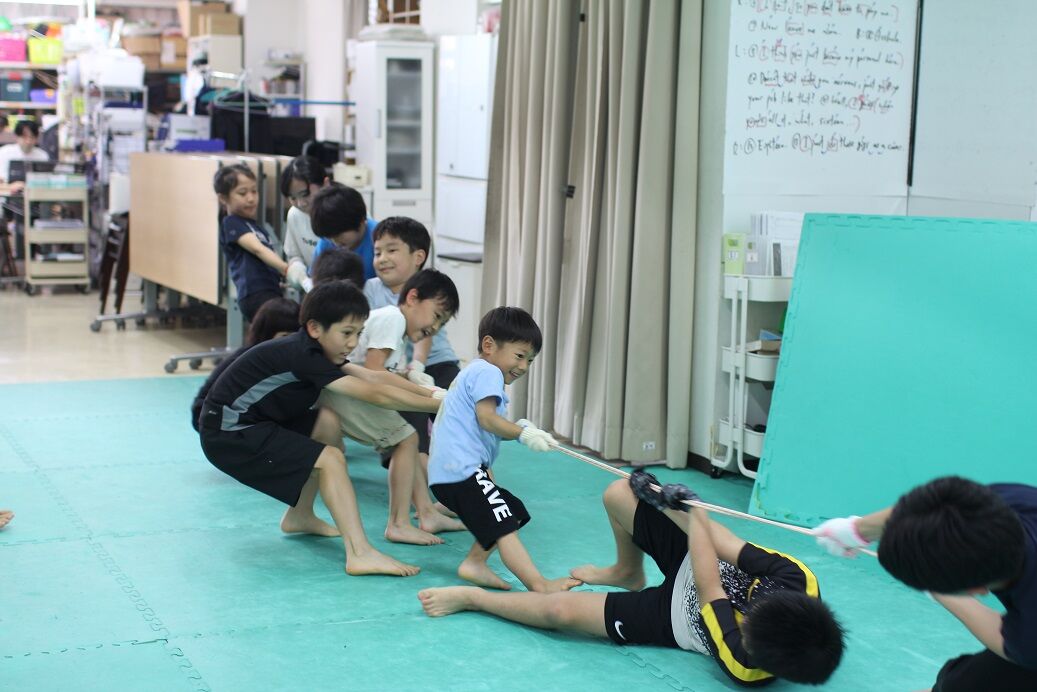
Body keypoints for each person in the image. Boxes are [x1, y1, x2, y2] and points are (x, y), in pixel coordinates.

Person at [420, 471, 845, 686]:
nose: (743, 622)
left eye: (746, 631)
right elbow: (726, 545)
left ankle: (472, 598)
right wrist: (671, 502)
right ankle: (628, 571)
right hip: (705, 557)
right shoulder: (797, 579)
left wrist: (691, 513)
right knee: (620, 492)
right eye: (750, 618)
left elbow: (709, 588)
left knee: (558, 611)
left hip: (676, 617)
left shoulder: (745, 663)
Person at [198, 280, 444, 577]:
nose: (353, 343)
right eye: (346, 333)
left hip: (251, 421)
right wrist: (439, 408)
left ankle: (299, 515)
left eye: (358, 334)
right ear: (315, 328)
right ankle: (360, 553)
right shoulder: (303, 356)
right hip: (228, 432)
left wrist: (435, 395)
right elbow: (375, 395)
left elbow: (373, 377)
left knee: (327, 422)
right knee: (330, 459)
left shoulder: (317, 351)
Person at [814, 476, 1037, 691]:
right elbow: (943, 501)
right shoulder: (1014, 500)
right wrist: (856, 530)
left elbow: (1009, 640)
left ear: (976, 590)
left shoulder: (1028, 640)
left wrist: (936, 590)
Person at [425, 306, 580, 593]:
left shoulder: (475, 372)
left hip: (454, 471)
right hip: (462, 470)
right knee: (505, 520)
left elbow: (485, 426)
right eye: (519, 356)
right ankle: (539, 585)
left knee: (513, 510)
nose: (524, 367)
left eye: (530, 360)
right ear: (489, 345)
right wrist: (523, 433)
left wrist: (520, 429)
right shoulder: (488, 372)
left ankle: (475, 563)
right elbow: (488, 420)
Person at [317, 269, 465, 545]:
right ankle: (398, 523)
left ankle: (426, 512)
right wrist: (430, 394)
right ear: (412, 298)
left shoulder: (398, 332)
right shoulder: (394, 319)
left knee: (408, 437)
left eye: (442, 323)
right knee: (406, 439)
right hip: (338, 389)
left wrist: (417, 383)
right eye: (436, 315)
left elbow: (382, 373)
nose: (435, 327)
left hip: (342, 387)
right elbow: (374, 371)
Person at [364, 217, 461, 468]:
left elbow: (425, 338)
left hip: (436, 363)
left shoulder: (429, 290)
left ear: (418, 257)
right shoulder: (371, 289)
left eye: (392, 250)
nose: (382, 258)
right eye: (377, 252)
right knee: (409, 418)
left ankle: (468, 468)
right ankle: (417, 462)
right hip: (393, 370)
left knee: (459, 410)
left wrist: (417, 366)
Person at [190, 297, 300, 433]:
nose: (290, 342)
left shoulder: (286, 357)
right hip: (214, 419)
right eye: (285, 336)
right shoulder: (247, 360)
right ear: (266, 334)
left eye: (295, 336)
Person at [214, 164, 288, 321]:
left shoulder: (257, 227)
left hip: (270, 290)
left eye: (254, 191)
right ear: (223, 198)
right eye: (242, 193)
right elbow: (257, 250)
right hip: (255, 294)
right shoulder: (231, 223)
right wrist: (287, 269)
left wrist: (280, 279)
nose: (251, 198)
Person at [310, 183, 377, 281]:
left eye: (338, 235)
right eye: (329, 237)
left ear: (361, 221)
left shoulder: (379, 238)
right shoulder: (326, 242)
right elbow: (316, 279)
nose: (334, 241)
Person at [280, 156, 328, 292]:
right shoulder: (294, 214)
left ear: (325, 184)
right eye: (293, 198)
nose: (301, 203)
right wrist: (301, 277)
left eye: (305, 194)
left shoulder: (346, 208)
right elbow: (294, 256)